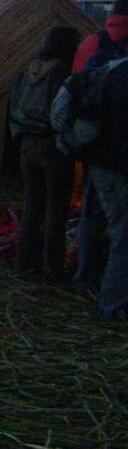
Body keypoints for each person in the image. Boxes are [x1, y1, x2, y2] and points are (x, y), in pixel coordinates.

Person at [8, 26, 80, 281]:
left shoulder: (27, 71)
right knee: (56, 208)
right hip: (52, 146)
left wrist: (19, 135)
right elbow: (62, 111)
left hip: (27, 144)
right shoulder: (62, 72)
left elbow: (13, 105)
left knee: (32, 206)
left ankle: (25, 265)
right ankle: (54, 269)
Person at [71, 0, 128, 297]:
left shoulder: (91, 45)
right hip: (117, 154)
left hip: (92, 150)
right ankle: (113, 300)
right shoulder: (115, 55)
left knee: (92, 215)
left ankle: (86, 278)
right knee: (122, 232)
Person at [84, 47, 128, 319]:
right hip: (117, 166)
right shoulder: (119, 74)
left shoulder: (112, 70)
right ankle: (112, 306)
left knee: (99, 222)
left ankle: (87, 280)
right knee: (124, 236)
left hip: (102, 163)